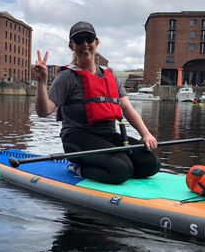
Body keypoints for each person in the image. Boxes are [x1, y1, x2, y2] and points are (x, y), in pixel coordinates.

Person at [33, 21, 160, 184]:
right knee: (121, 169)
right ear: (72, 46)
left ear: (96, 43)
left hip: (108, 136)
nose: (85, 44)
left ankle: (111, 167)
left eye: (89, 39)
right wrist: (42, 82)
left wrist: (146, 134)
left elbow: (127, 108)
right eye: (78, 40)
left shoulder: (110, 75)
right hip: (77, 138)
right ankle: (77, 168)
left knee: (151, 164)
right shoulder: (67, 77)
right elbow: (43, 112)